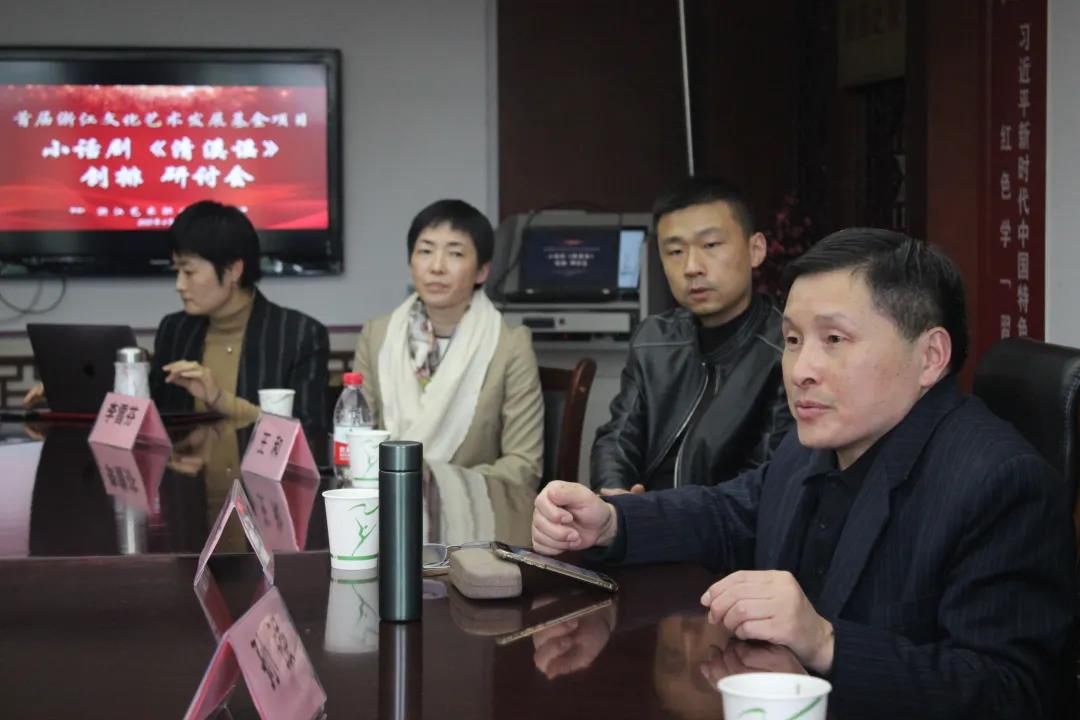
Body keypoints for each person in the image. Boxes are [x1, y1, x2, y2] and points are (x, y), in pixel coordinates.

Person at [533, 229, 1075, 718]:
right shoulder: (818, 441)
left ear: (930, 356)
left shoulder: (1000, 484)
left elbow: (1012, 693)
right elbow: (731, 513)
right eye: (792, 341)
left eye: (834, 340)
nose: (801, 370)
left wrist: (825, 643)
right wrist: (612, 522)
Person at [23, 201, 330, 430]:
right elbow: (151, 413)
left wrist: (219, 399)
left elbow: (310, 430)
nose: (179, 285)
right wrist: (74, 392)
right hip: (185, 487)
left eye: (189, 271)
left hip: (263, 490)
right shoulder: (176, 329)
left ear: (233, 270)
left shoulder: (299, 335)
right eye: (176, 271)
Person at [591, 177, 792, 492]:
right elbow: (617, 439)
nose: (691, 267)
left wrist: (653, 512)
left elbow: (762, 484)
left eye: (710, 245)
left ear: (755, 250)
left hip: (720, 520)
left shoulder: (786, 351)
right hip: (638, 514)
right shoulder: (654, 339)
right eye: (675, 251)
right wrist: (615, 494)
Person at [353, 199, 543, 488]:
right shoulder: (376, 336)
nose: (437, 267)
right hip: (385, 502)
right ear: (411, 262)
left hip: (475, 507)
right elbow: (358, 440)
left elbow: (524, 464)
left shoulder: (510, 346)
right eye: (425, 251)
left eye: (455, 253)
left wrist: (435, 483)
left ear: (482, 271)